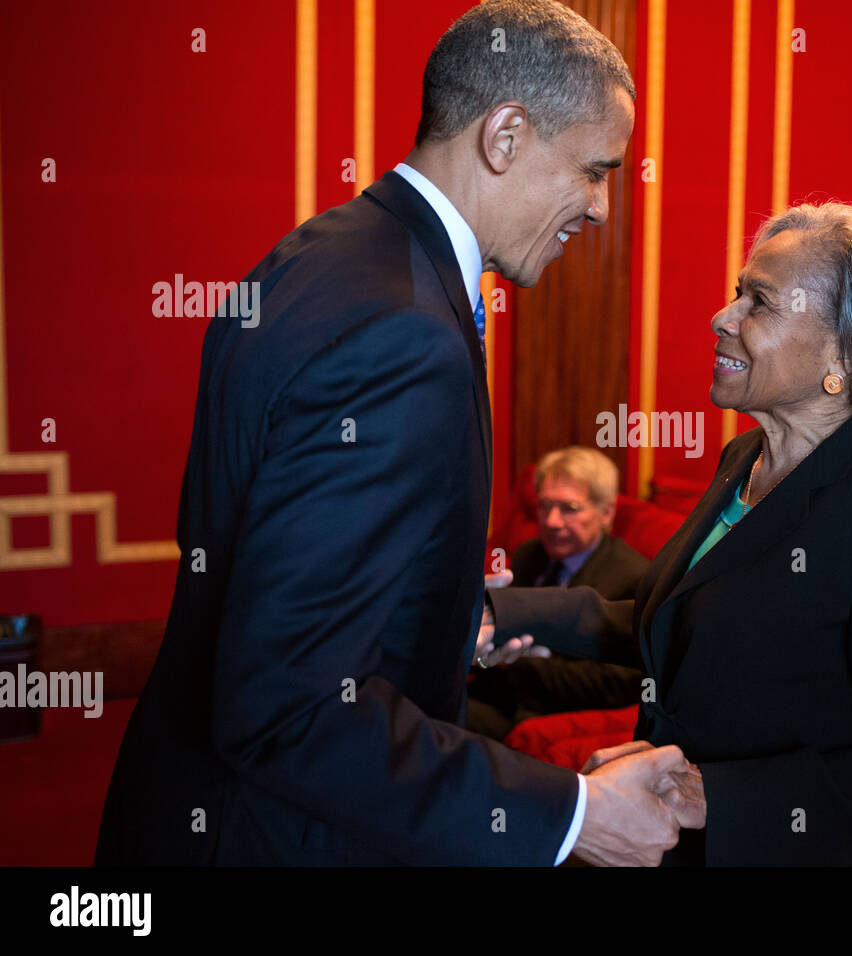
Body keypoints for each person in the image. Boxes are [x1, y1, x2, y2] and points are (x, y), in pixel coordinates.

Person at [96, 0, 700, 868]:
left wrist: (457, 625)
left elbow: (299, 578)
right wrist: (572, 811)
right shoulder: (405, 334)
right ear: (505, 136)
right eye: (594, 169)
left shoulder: (320, 255)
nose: (603, 208)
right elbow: (289, 708)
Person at [485, 201, 852, 865]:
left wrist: (715, 793)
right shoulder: (743, 460)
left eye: (760, 302)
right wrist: (503, 612)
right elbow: (684, 629)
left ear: (845, 348)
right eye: (736, 293)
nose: (723, 318)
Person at [469, 447, 649, 739]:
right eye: (545, 506)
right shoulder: (531, 554)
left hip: (550, 717)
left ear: (606, 513)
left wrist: (519, 667)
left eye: (570, 508)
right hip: (495, 693)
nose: (552, 521)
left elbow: (624, 682)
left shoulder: (632, 577)